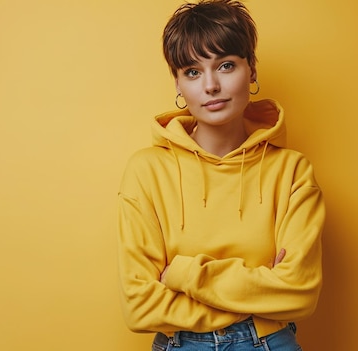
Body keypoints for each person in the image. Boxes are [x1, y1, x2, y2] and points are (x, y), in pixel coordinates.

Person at [116, 1, 325, 349]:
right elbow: (139, 306)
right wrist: (260, 292)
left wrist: (182, 275)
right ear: (178, 84)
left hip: (269, 343)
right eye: (193, 72)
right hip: (181, 344)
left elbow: (299, 294)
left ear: (252, 70)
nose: (211, 85)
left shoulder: (292, 171)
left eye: (226, 65)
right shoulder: (146, 171)